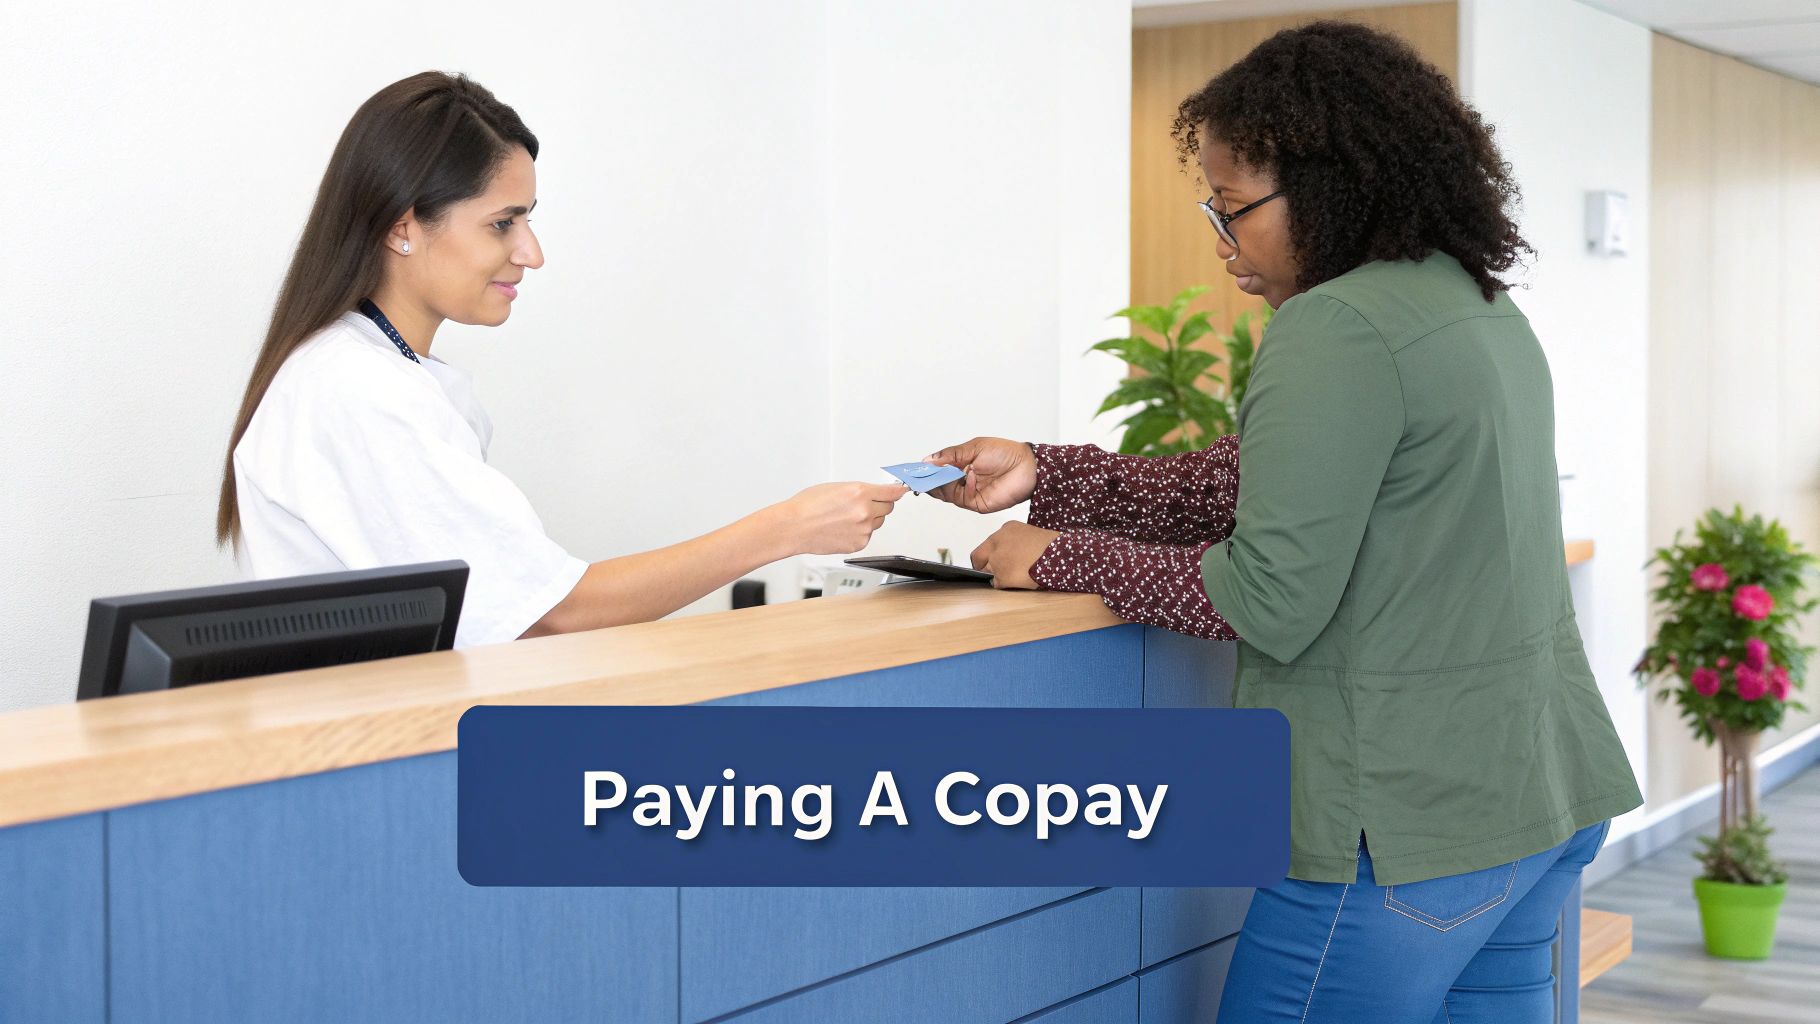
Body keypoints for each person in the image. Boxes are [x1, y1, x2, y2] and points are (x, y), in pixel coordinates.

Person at [928, 22, 1641, 1023]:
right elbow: (1244, 482)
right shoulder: (1471, 301)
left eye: (1233, 208)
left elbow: (1266, 596)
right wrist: (1049, 472)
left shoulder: (1334, 324)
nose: (1221, 242)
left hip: (1400, 831)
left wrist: (1061, 557)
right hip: (1537, 799)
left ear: (1328, 186)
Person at [217, 72, 904, 647]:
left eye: (528, 219)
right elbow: (549, 615)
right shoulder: (354, 388)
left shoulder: (381, 375)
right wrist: (787, 528)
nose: (531, 252)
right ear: (402, 226)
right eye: (502, 223)